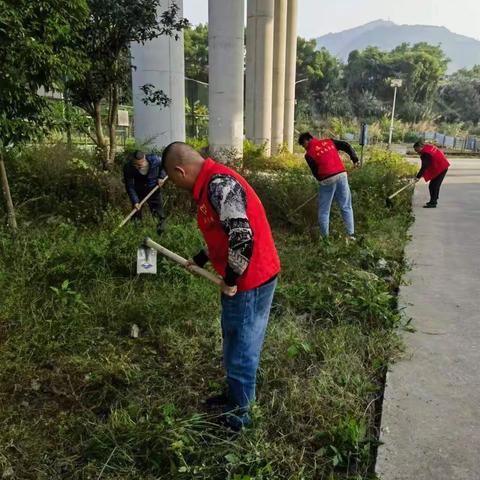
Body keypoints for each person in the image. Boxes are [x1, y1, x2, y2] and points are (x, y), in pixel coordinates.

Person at [161, 142, 280, 431]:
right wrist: (201, 258)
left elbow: (242, 238)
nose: (175, 186)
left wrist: (229, 280)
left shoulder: (219, 185)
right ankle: (234, 397)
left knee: (242, 349)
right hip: (245, 277)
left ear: (180, 171)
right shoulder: (210, 185)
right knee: (232, 339)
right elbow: (223, 231)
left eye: (172, 180)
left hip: (249, 282)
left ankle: (241, 419)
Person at [298, 132, 359, 239]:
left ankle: (325, 239)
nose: (305, 148)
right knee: (346, 206)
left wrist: (322, 183)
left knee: (324, 211)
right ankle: (351, 235)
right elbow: (346, 145)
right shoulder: (329, 142)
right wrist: (354, 158)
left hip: (326, 179)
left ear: (306, 141)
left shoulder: (308, 155)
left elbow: (316, 173)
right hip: (341, 175)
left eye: (304, 145)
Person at [123, 150, 167, 233]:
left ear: (144, 159)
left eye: (139, 165)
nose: (137, 167)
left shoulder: (155, 160)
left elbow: (164, 166)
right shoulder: (128, 167)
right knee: (136, 215)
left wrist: (161, 177)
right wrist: (135, 201)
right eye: (135, 164)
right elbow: (130, 186)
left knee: (159, 214)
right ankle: (136, 234)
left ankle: (161, 234)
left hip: (154, 189)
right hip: (138, 192)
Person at [413, 140, 450, 208]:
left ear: (420, 147)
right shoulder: (427, 147)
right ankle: (434, 200)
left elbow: (424, 166)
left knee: (434, 186)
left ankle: (433, 202)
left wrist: (418, 177)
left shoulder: (426, 153)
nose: (416, 152)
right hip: (440, 166)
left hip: (441, 168)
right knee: (433, 186)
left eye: (416, 150)